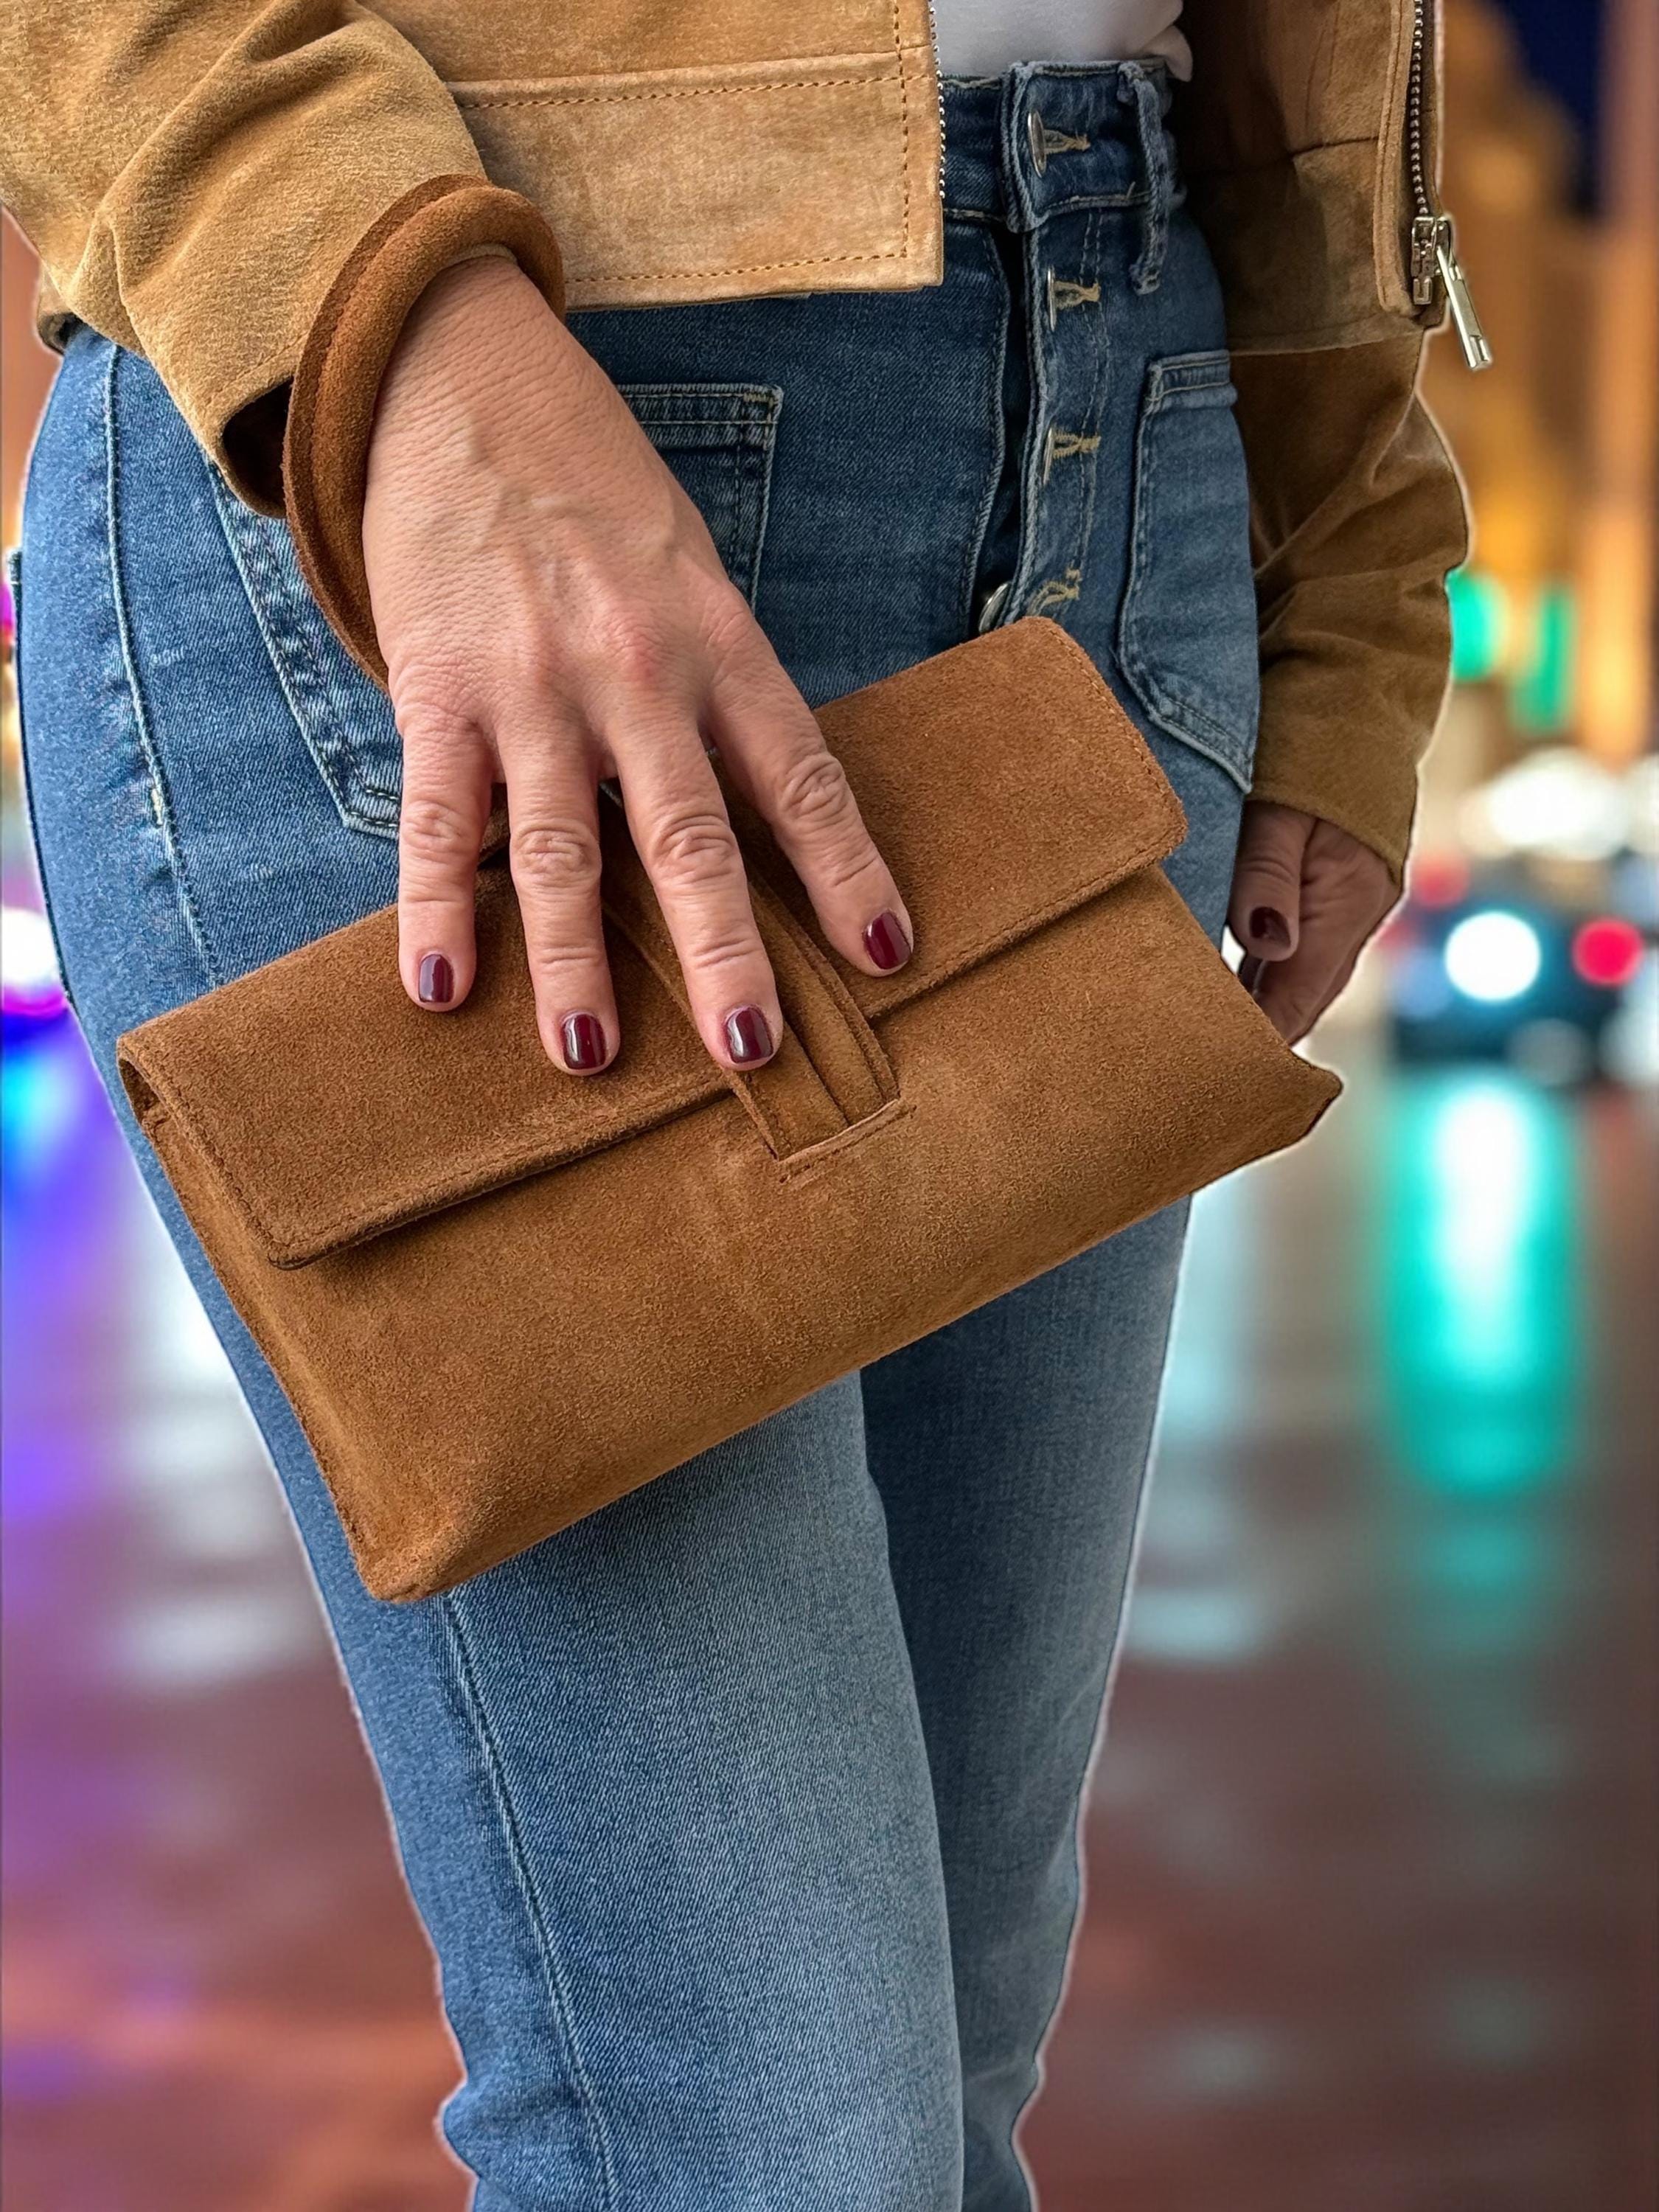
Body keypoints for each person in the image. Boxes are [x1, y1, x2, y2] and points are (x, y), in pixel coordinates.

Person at [2, 1, 1468, 2202]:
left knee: (927, 2105)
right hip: (462, 421)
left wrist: (1348, 549)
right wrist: (382, 316)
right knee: (759, 2139)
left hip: (1125, 415)